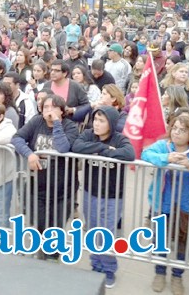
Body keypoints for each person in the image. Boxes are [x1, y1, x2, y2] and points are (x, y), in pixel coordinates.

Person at [142, 115, 189, 295]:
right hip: (163, 204)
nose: (177, 132)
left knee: (183, 244)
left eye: (182, 130)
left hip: (188, 206)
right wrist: (166, 158)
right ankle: (160, 273)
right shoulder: (164, 145)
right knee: (160, 241)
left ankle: (177, 276)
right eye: (175, 128)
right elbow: (145, 154)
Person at [72, 106, 135, 288]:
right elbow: (77, 146)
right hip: (90, 191)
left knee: (106, 232)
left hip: (112, 195)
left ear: (111, 123)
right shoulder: (89, 134)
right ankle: (96, 264)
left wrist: (102, 151)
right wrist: (102, 147)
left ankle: (109, 269)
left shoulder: (120, 138)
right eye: (95, 120)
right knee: (92, 228)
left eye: (101, 121)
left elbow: (129, 153)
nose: (97, 124)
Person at [11, 94, 79, 257]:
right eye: (46, 107)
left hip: (63, 188)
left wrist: (56, 123)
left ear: (62, 110)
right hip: (38, 184)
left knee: (56, 225)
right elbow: (18, 138)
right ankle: (43, 250)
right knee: (40, 222)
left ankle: (53, 255)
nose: (49, 110)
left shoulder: (70, 126)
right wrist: (30, 154)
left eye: (53, 107)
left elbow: (63, 148)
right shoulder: (36, 122)